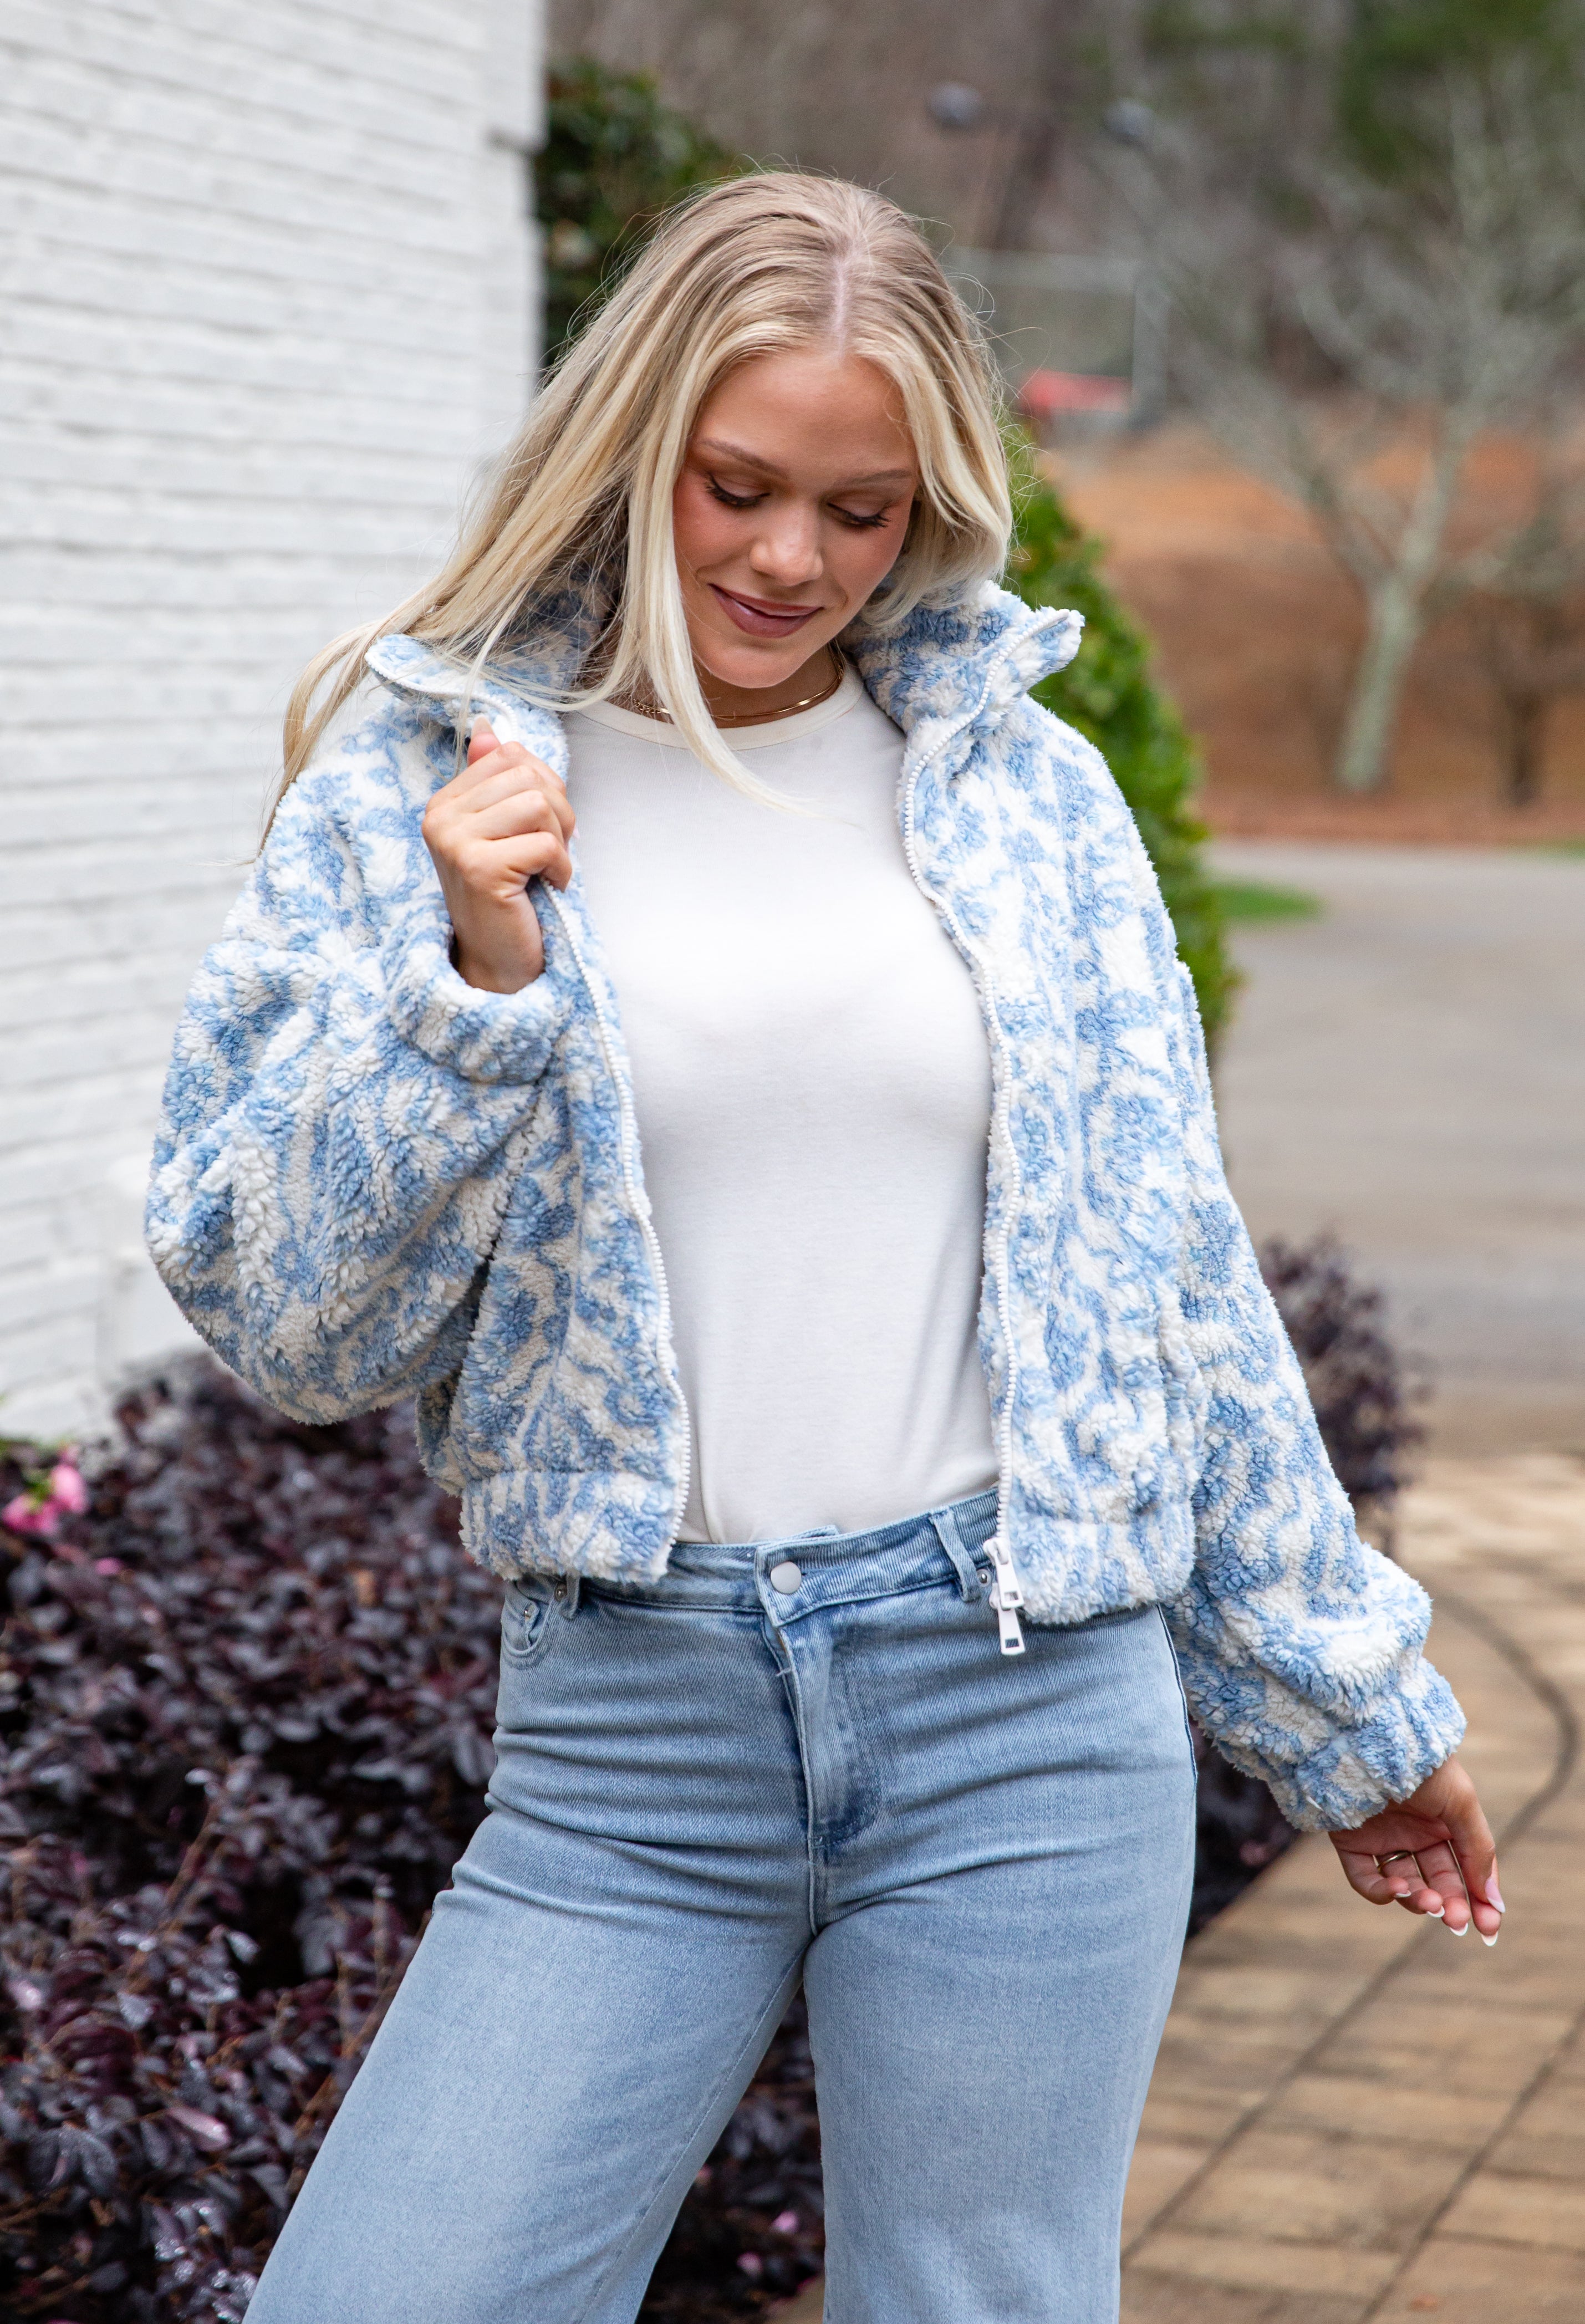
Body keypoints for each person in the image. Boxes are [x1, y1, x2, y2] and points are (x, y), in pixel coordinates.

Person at [147, 173, 1501, 2324]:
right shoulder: (430, 783)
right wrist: (471, 983)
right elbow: (281, 1314)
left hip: (1023, 1712)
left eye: (860, 511)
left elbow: (1171, 1278)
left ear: (931, 508)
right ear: (633, 449)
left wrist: (1349, 1702)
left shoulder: (1025, 799)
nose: (789, 559)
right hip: (628, 1732)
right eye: (739, 485)